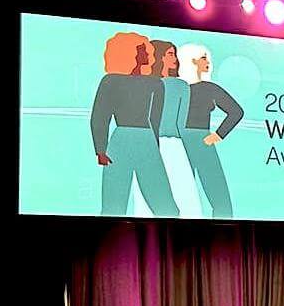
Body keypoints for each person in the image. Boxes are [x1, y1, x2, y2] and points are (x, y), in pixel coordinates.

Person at [90, 31, 180, 218]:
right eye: (142, 50)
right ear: (129, 53)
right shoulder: (111, 81)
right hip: (126, 142)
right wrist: (100, 149)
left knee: (164, 206)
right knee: (114, 205)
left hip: (139, 142)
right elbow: (100, 117)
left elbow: (155, 120)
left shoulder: (155, 84)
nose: (148, 54)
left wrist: (154, 148)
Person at [132, 39, 201, 219]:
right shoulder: (178, 86)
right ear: (158, 56)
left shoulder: (179, 85)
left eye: (175, 54)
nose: (174, 59)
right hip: (163, 146)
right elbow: (181, 124)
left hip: (164, 146)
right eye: (170, 54)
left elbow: (180, 124)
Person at [178, 43, 244, 219]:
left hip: (202, 140)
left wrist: (217, 135)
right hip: (181, 143)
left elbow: (236, 112)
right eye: (203, 58)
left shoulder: (210, 88)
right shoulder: (178, 88)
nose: (208, 62)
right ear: (192, 61)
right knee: (182, 193)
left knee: (219, 198)